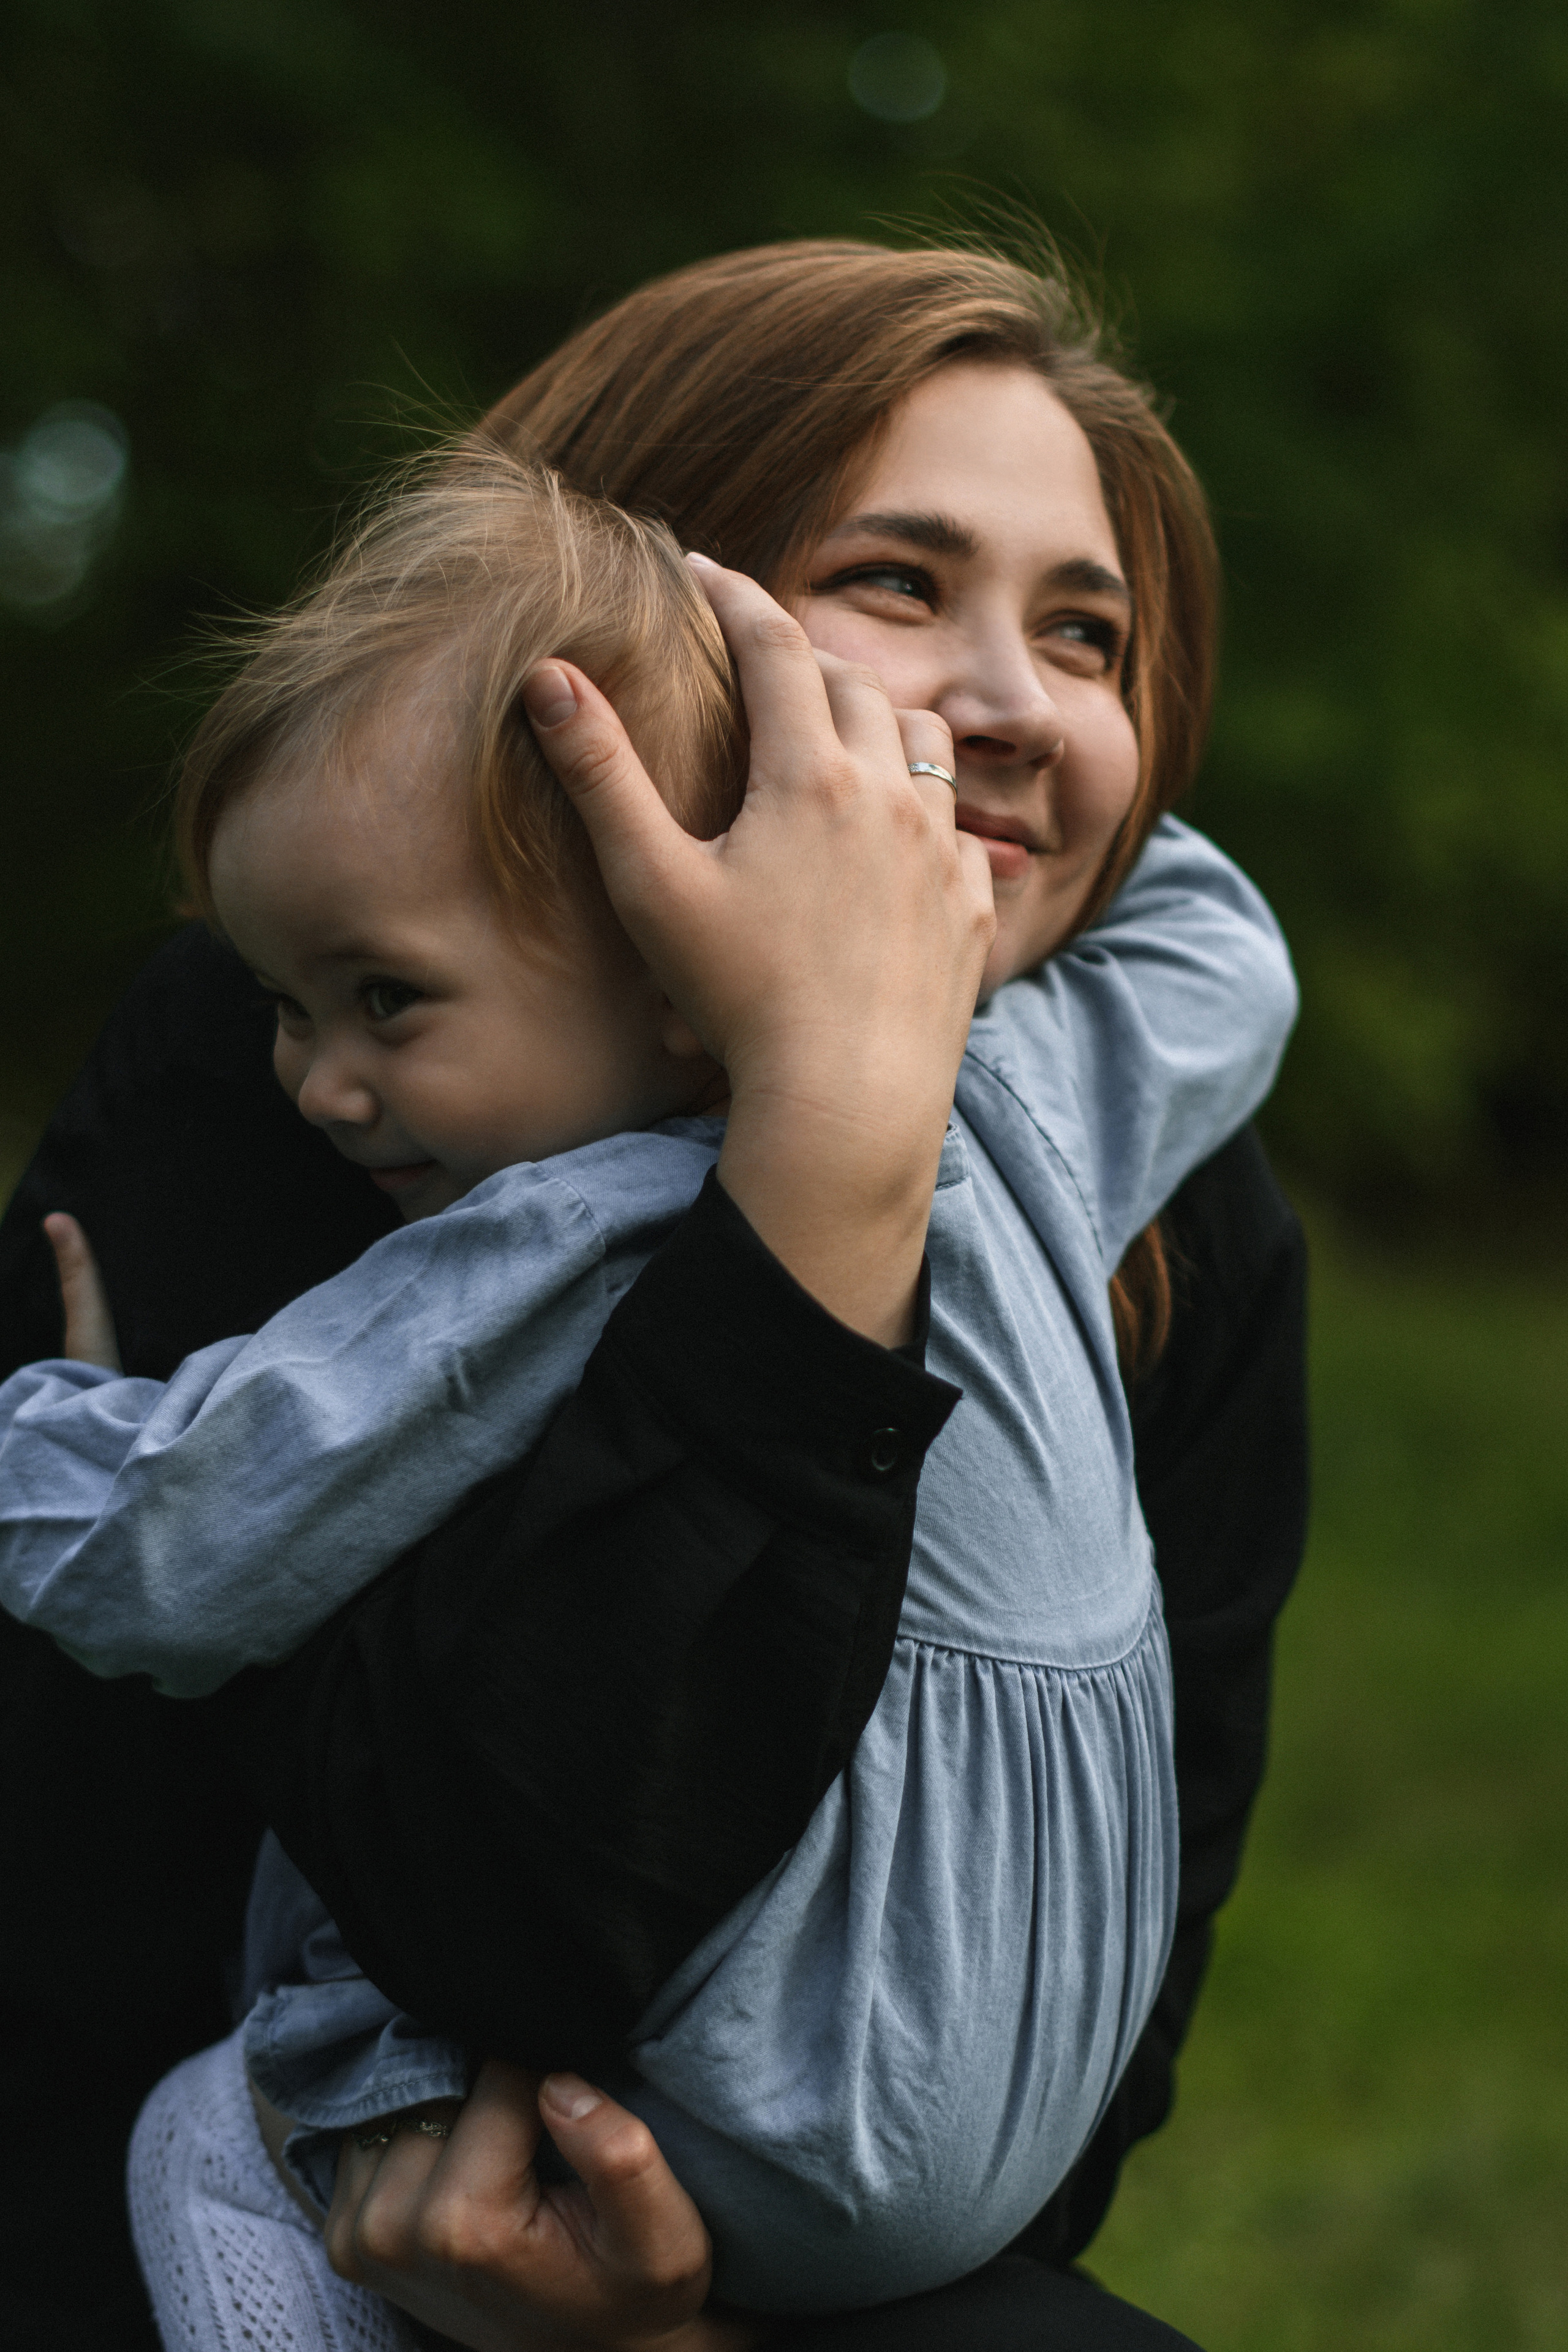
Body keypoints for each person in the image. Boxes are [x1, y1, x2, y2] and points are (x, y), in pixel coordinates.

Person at [0, 237, 1310, 2352]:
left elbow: (1089, 2082)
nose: (1016, 705)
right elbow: (354, 1911)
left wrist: (674, 2335)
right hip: (231, 2188)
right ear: (575, 652)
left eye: (1091, 635)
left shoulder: (1169, 1205)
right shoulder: (338, 1064)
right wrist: (817, 1181)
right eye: (898, 581)